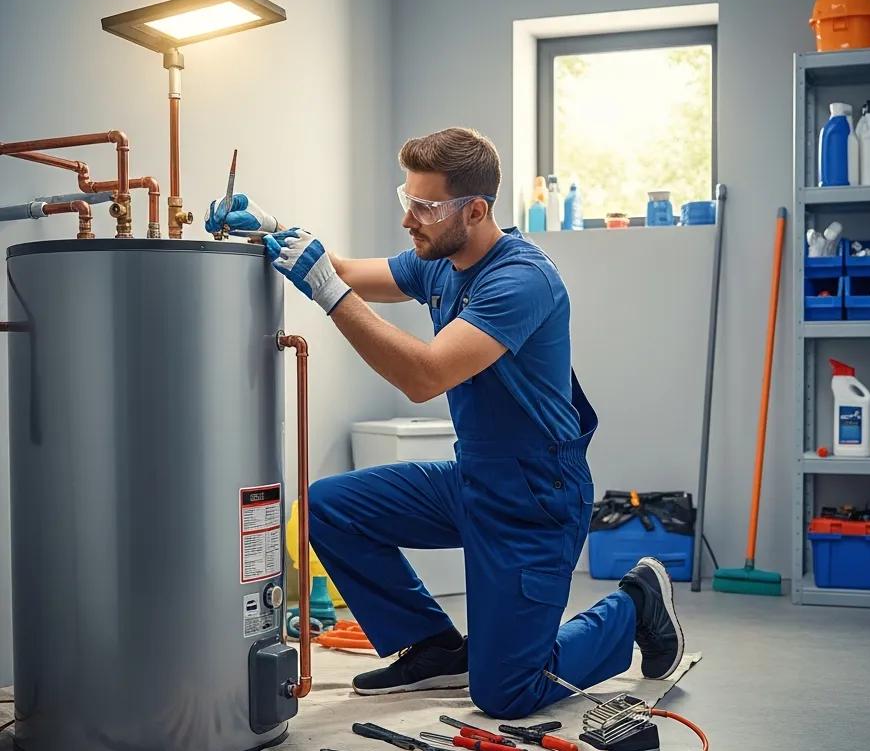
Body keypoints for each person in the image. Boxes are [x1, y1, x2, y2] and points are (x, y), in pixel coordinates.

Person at [207, 127, 683, 719]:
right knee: (326, 507)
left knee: (507, 693)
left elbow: (425, 375)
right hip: (474, 477)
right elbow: (348, 270)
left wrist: (326, 293)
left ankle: (634, 604)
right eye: (406, 200)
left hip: (536, 496)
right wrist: (274, 231)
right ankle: (433, 647)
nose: (410, 219)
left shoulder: (521, 279)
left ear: (476, 210)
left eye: (425, 206)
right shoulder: (440, 259)